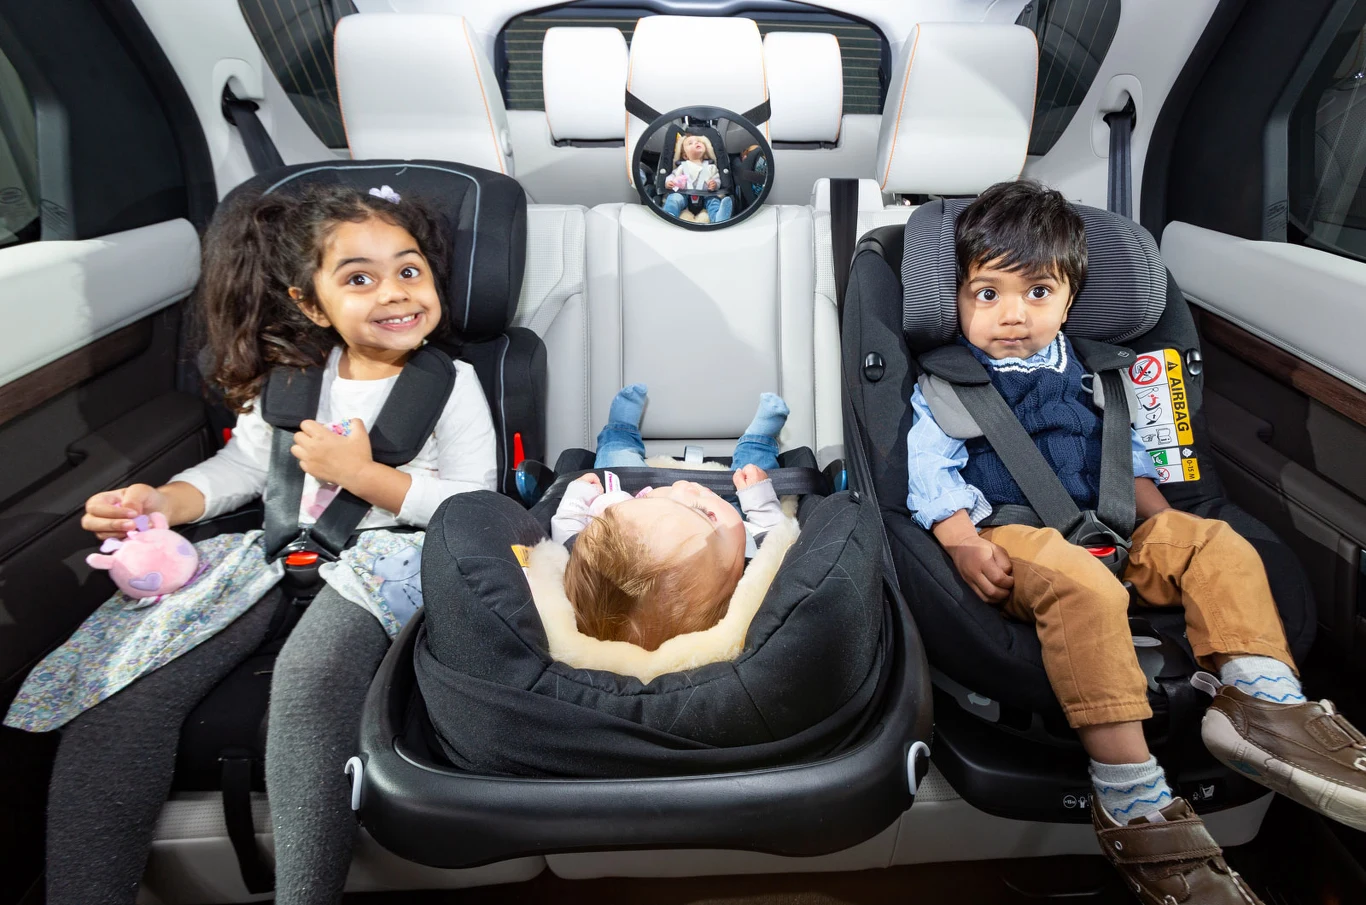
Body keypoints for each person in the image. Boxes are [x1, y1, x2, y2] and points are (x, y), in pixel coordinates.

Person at [6, 184, 497, 905]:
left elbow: (473, 504)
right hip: (272, 552)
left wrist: (365, 477)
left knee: (311, 682)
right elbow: (241, 470)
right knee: (128, 683)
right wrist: (163, 500)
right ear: (311, 304)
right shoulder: (291, 381)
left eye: (408, 270)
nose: (395, 292)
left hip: (391, 558)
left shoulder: (452, 385)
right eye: (359, 278)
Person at [906, 180, 1365, 903]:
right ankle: (1129, 791)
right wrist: (962, 542)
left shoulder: (1104, 373)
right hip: (1014, 536)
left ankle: (1265, 706)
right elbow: (928, 470)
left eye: (1037, 292)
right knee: (1082, 584)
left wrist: (1163, 526)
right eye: (986, 294)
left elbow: (1134, 466)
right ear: (958, 300)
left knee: (1216, 544)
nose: (1012, 315)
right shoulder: (947, 383)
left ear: (1069, 300)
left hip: (1113, 529)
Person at [551, 384, 789, 650]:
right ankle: (758, 441)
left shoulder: (584, 555)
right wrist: (759, 501)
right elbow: (777, 539)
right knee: (752, 473)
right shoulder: (751, 564)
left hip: (634, 490)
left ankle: (620, 431)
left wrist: (579, 496)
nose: (684, 486)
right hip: (733, 512)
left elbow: (566, 536)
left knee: (615, 461)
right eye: (703, 512)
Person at [661, 132, 732, 224]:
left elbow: (717, 179)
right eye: (690, 143)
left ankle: (718, 217)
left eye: (699, 141)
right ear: (685, 156)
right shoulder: (682, 167)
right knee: (674, 198)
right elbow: (673, 176)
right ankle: (670, 214)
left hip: (706, 194)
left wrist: (714, 184)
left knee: (714, 201)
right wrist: (669, 182)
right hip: (684, 194)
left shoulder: (711, 167)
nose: (696, 143)